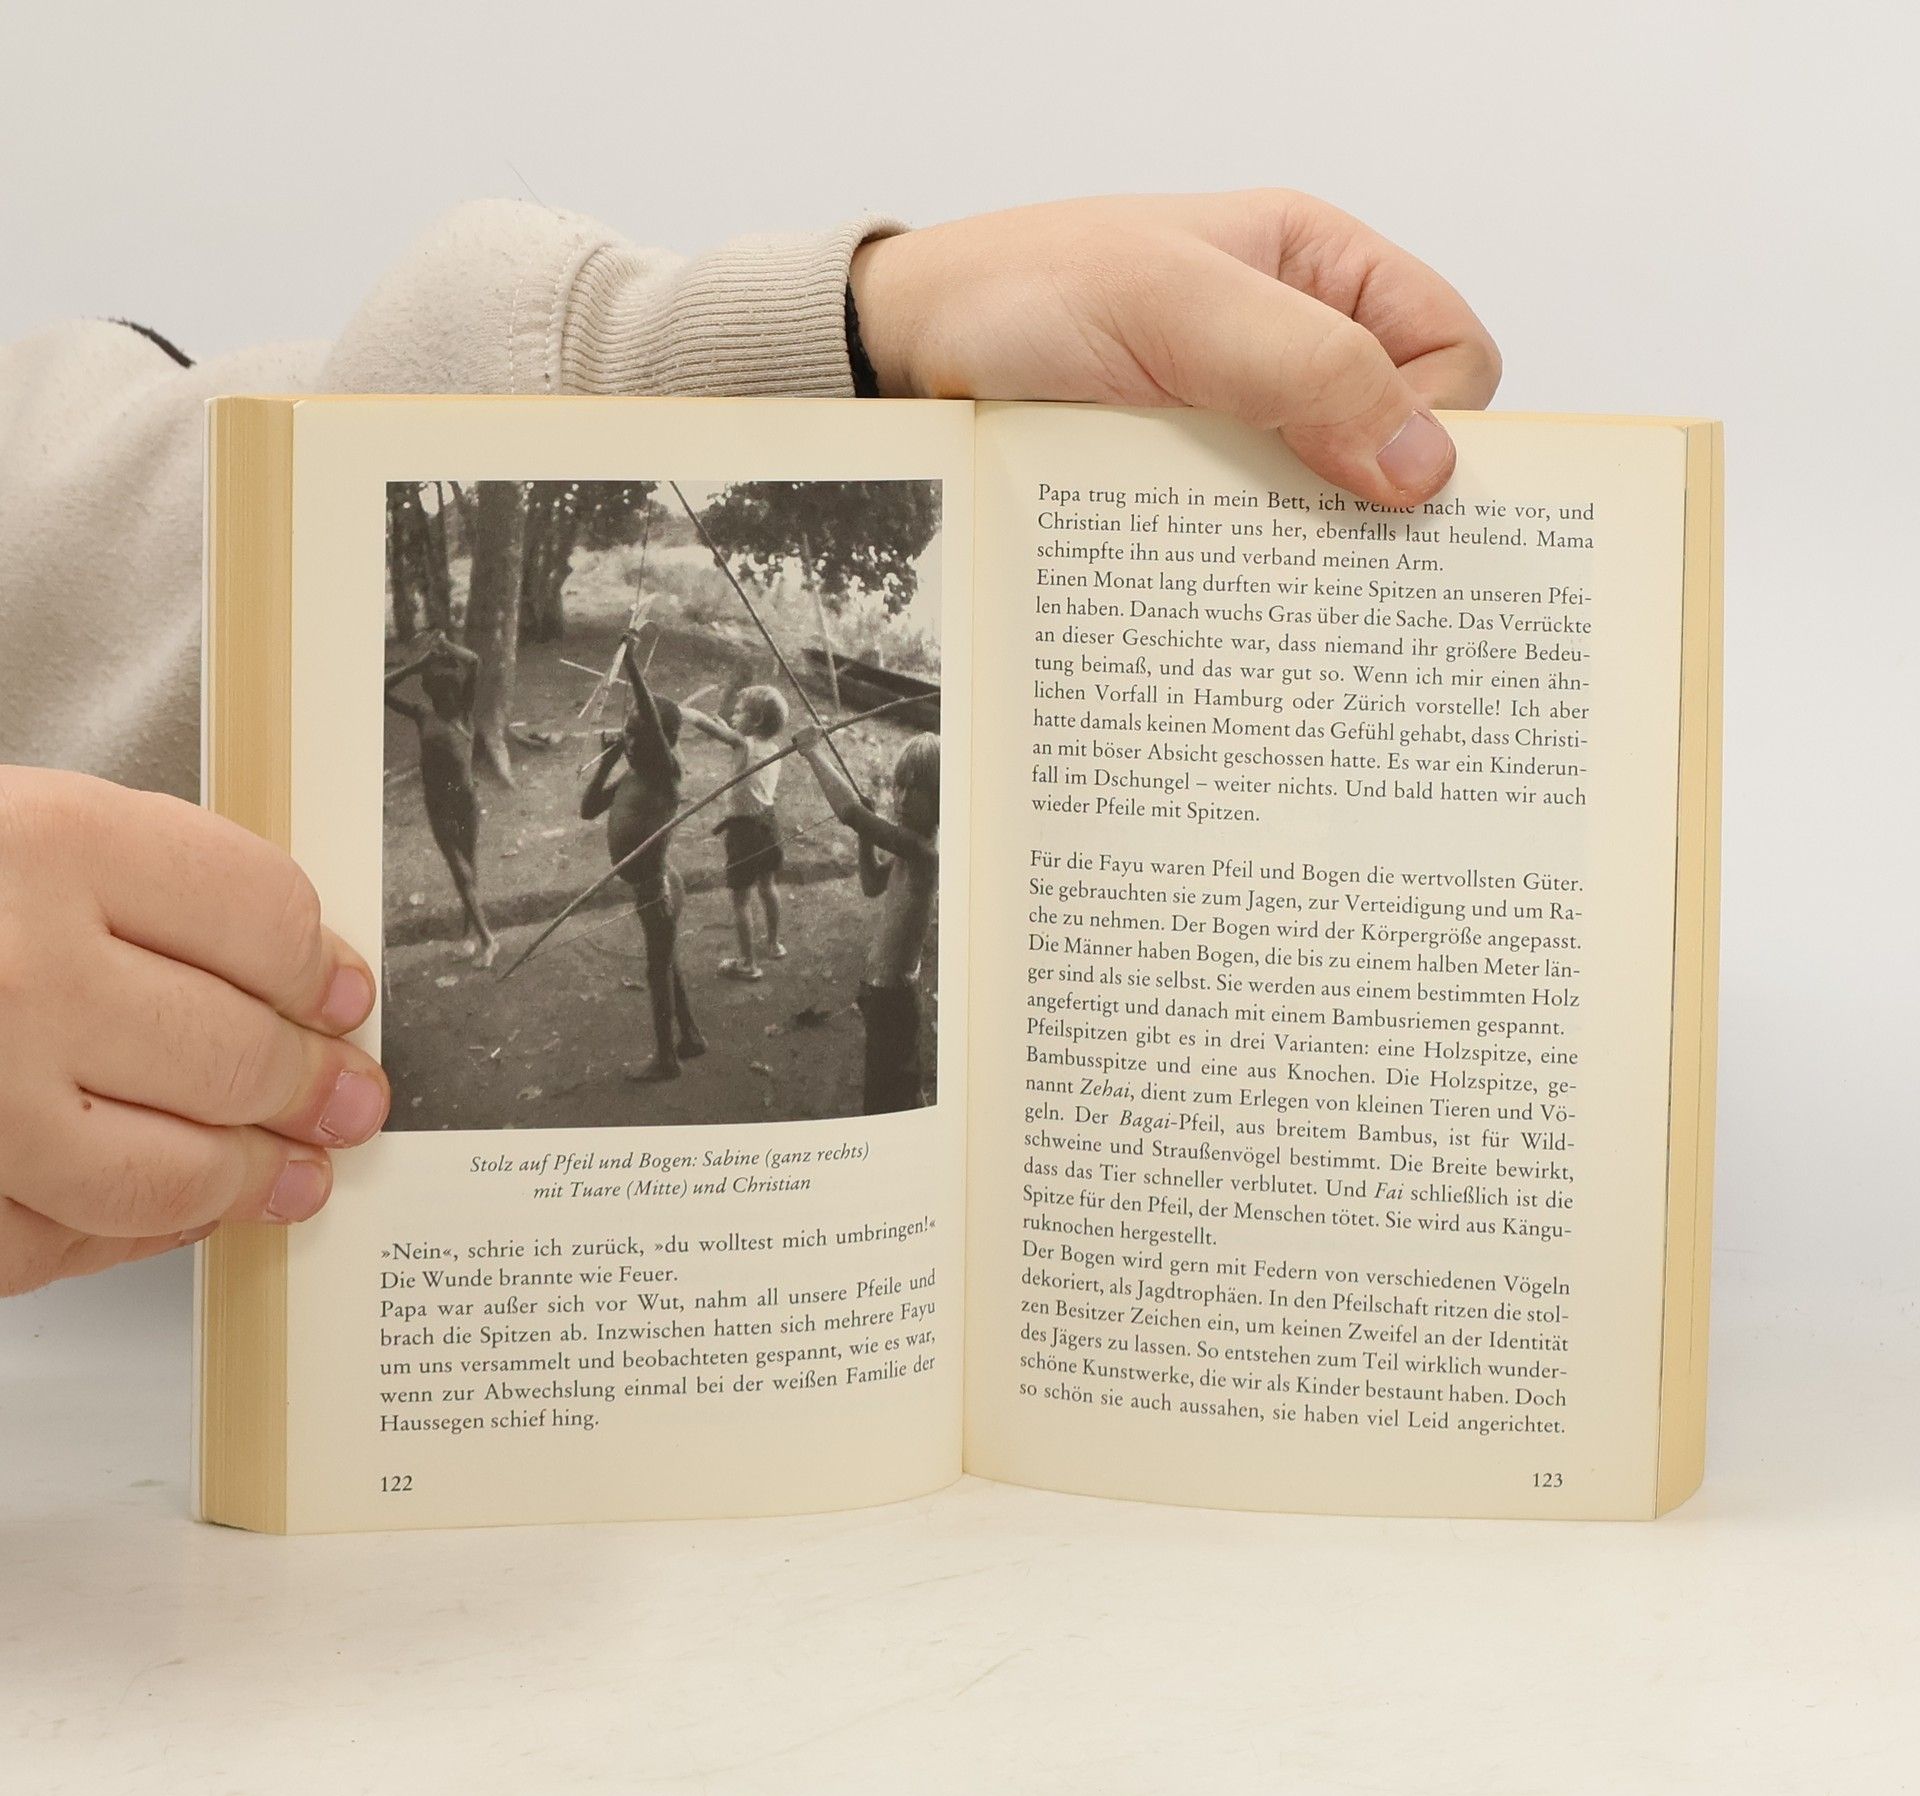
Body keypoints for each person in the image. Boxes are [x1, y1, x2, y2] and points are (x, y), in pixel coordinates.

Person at [0, 189, 1500, 1294]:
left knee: (789, 958)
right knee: (758, 939)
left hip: (735, 860)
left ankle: (704, 1041)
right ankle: (707, 1032)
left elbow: (93, 499)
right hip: (689, 853)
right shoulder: (685, 751)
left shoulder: (793, 766)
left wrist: (810, 341)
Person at [578, 634, 708, 1083]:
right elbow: (588, 809)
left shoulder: (666, 776)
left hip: (659, 889)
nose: (630, 741)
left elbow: (651, 716)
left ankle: (667, 1058)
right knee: (666, 959)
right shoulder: (633, 776)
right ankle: (690, 1034)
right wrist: (606, 760)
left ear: (665, 741)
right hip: (652, 885)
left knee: (657, 970)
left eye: (639, 735)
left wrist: (632, 665)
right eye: (626, 733)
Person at [794, 726, 939, 1114]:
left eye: (916, 790)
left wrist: (813, 752)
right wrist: (865, 837)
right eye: (899, 787)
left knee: (885, 1096)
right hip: (882, 992)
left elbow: (850, 813)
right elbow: (872, 884)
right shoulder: (909, 847)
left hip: (894, 998)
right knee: (895, 1085)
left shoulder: (924, 851)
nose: (902, 799)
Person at [384, 628, 499, 969]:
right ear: (432, 694)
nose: (444, 699)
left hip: (465, 800)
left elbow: (474, 662)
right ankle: (489, 940)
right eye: (438, 694)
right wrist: (416, 666)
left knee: (469, 870)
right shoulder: (424, 715)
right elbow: (380, 689)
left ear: (455, 692)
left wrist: (447, 645)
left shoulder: (463, 714)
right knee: (461, 872)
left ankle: (470, 936)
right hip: (438, 804)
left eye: (449, 692)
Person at [678, 682, 792, 980]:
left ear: (756, 721)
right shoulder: (773, 749)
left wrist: (683, 712)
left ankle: (747, 964)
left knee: (741, 900)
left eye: (739, 712)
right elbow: (736, 738)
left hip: (745, 832)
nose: (733, 715)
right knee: (767, 886)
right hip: (769, 825)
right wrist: (729, 729)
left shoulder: (744, 744)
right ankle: (774, 944)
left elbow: (708, 726)